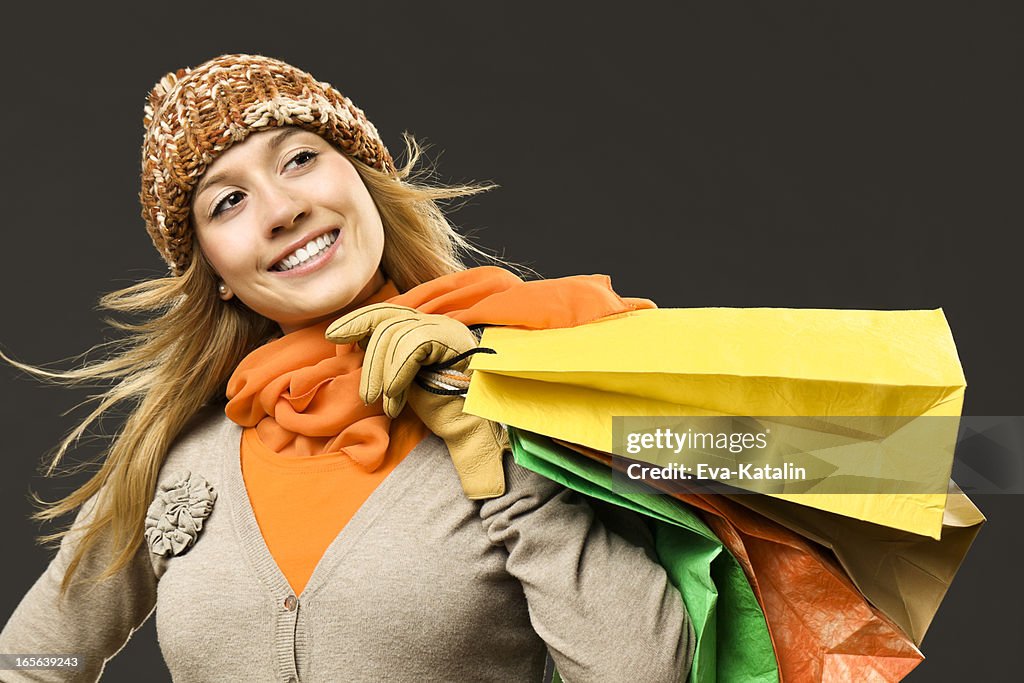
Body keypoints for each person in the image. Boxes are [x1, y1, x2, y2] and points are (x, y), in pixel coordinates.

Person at [0, 53, 694, 682]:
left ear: (364, 178)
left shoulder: (524, 391)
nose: (282, 209)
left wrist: (502, 446)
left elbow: (643, 670)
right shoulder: (179, 462)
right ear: (213, 271)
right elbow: (32, 659)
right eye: (228, 201)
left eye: (298, 158)